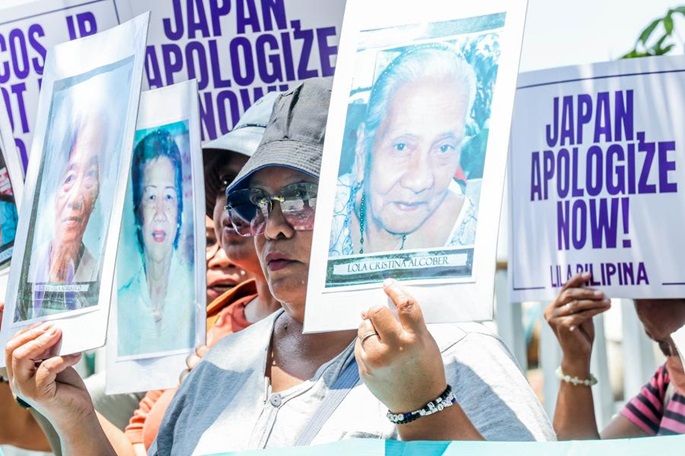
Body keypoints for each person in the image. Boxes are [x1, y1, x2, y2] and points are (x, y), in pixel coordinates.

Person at [4, 79, 553, 455]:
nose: (273, 227)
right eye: (255, 203)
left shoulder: (458, 353)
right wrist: (74, 416)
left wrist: (425, 405)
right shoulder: (220, 367)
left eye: (302, 197)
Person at [330, 45, 478, 256]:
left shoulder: (472, 233)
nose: (420, 181)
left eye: (444, 148)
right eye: (401, 146)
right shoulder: (322, 213)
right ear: (363, 147)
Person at [544, 273, 685, 438]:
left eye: (682, 341)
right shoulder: (666, 386)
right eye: (663, 345)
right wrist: (575, 360)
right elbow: (578, 448)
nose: (675, 361)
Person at [117, 129, 194, 357]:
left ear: (179, 211)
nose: (160, 213)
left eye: (169, 196)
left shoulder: (198, 292)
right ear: (137, 210)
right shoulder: (120, 304)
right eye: (151, 197)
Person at [23, 115, 105, 320]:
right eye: (69, 178)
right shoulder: (28, 269)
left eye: (90, 176)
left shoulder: (100, 278)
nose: (76, 199)